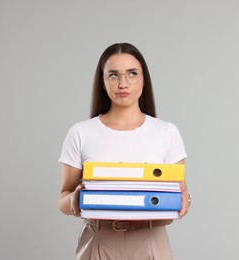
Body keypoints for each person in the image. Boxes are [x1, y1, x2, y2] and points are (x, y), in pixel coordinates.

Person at [58, 42, 190, 260]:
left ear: (144, 79)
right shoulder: (81, 132)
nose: (123, 83)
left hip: (150, 239)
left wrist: (184, 201)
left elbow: (180, 192)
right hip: (98, 239)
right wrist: (76, 199)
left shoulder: (167, 132)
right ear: (102, 81)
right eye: (113, 75)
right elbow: (63, 198)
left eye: (132, 73)